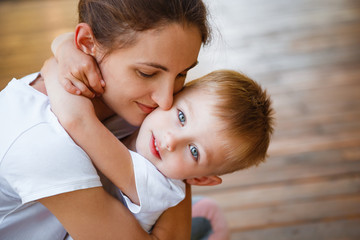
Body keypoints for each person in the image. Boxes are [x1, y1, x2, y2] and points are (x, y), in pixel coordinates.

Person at [0, 0, 211, 239]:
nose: (165, 100)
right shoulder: (42, 143)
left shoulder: (124, 95)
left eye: (181, 73)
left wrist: (62, 49)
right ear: (88, 44)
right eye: (147, 73)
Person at [45, 67, 274, 235]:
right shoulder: (136, 122)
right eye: (181, 117)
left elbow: (78, 121)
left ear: (199, 178)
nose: (171, 140)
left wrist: (53, 65)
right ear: (172, 97)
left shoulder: (156, 186)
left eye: (194, 151)